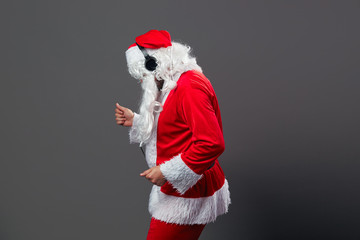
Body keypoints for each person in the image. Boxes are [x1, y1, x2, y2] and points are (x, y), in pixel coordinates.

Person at [115, 29, 230, 240]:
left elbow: (212, 143)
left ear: (154, 64)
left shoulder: (189, 86)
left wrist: (167, 172)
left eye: (142, 75)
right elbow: (176, 124)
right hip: (180, 187)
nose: (141, 82)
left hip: (190, 190)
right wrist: (137, 120)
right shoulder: (172, 82)